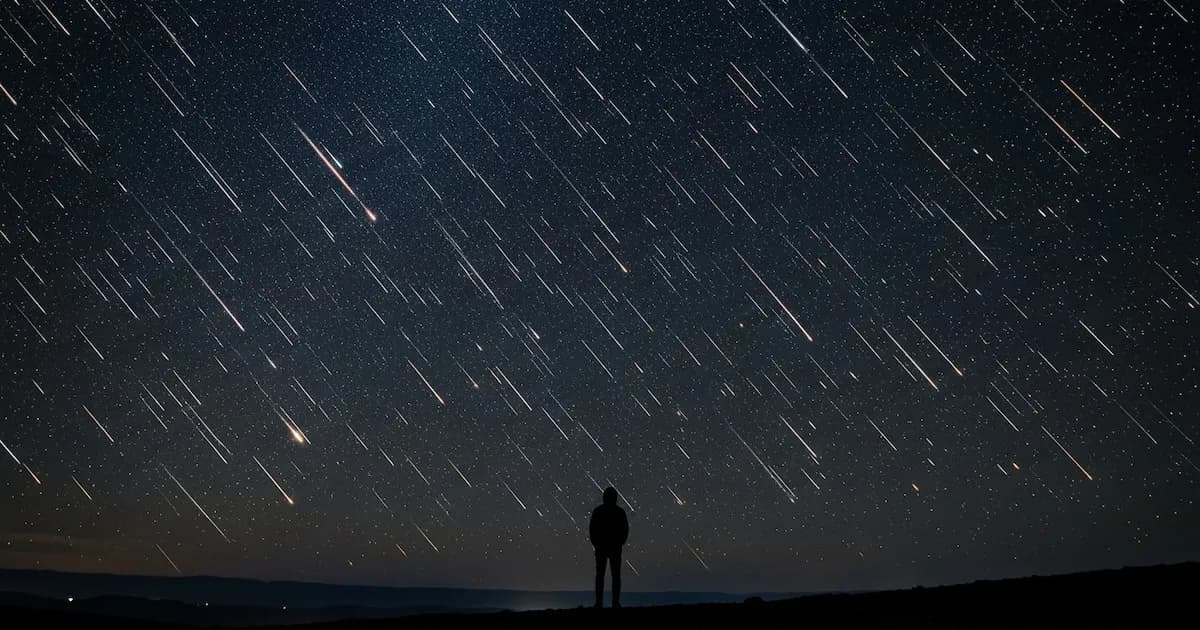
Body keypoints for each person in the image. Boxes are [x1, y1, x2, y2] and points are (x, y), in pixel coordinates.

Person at [589, 486, 629, 608]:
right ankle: (614, 603)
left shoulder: (598, 511)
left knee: (602, 575)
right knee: (614, 576)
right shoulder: (619, 512)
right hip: (613, 548)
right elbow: (625, 529)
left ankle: (600, 603)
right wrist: (620, 542)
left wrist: (596, 543)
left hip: (603, 548)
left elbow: (592, 529)